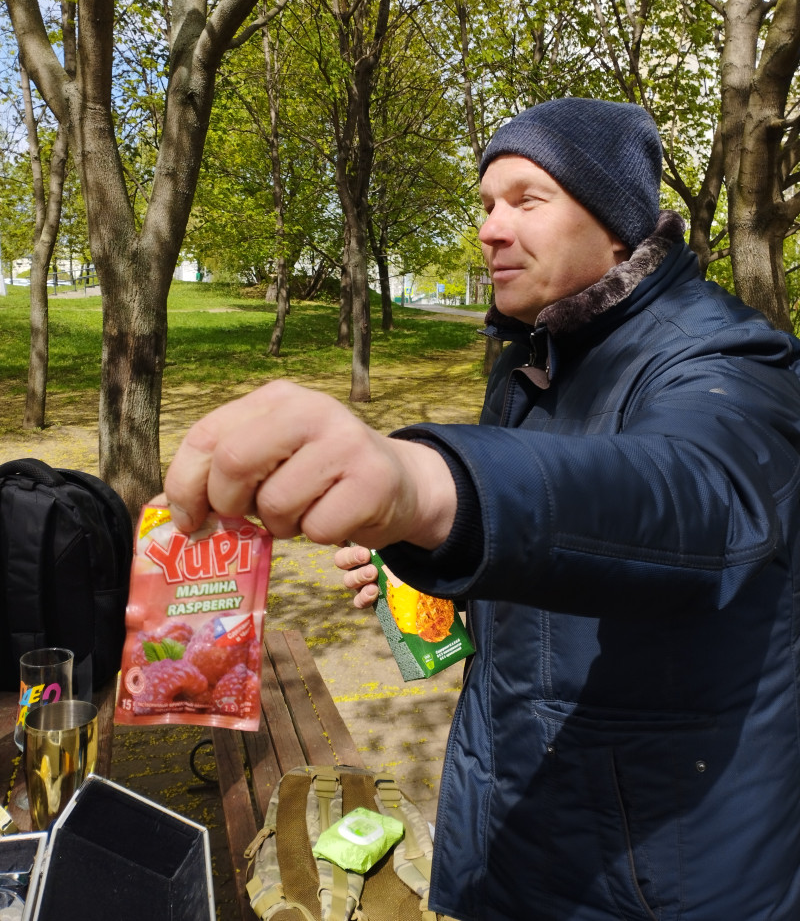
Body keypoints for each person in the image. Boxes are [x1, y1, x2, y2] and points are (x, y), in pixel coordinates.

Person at [164, 98, 800, 921]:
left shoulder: (725, 357)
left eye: (528, 200)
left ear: (618, 229)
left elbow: (691, 501)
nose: (491, 230)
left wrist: (426, 485)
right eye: (487, 204)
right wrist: (440, 564)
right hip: (510, 830)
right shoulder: (533, 359)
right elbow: (564, 555)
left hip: (660, 879)